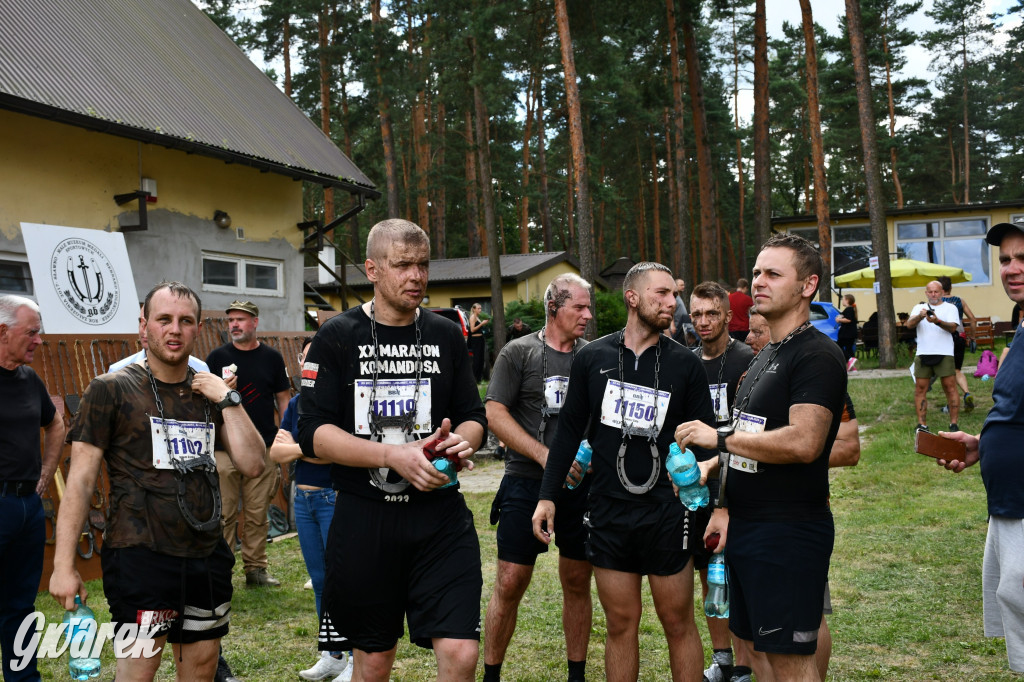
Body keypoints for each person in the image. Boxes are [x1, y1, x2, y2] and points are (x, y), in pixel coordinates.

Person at [298, 219, 486, 682]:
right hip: (365, 519)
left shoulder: (445, 335)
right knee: (375, 661)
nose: (416, 276)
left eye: (422, 265)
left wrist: (464, 439)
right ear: (372, 269)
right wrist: (391, 455)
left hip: (439, 518)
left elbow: (472, 414)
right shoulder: (337, 336)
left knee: (462, 653)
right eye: (403, 265)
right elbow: (312, 433)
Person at [50, 282, 265, 681]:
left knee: (201, 670)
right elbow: (79, 481)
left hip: (205, 554)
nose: (174, 329)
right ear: (143, 326)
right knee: (138, 671)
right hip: (140, 556)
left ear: (198, 328)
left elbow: (254, 464)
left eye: (185, 321)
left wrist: (227, 399)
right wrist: (64, 564)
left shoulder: (207, 393)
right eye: (164, 319)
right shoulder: (111, 389)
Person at [533, 262, 716, 682]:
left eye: (674, 294)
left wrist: (705, 477)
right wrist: (547, 497)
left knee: (678, 623)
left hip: (667, 512)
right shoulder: (593, 358)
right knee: (620, 624)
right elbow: (566, 437)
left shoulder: (684, 365)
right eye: (662, 294)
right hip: (610, 511)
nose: (673, 303)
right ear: (632, 298)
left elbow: (706, 440)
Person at [677, 233, 847, 682]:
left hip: (788, 530)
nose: (758, 282)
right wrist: (723, 501)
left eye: (773, 273)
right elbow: (753, 439)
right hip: (748, 528)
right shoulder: (767, 353)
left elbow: (804, 442)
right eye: (756, 272)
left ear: (808, 285)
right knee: (759, 657)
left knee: (791, 663)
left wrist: (718, 438)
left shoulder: (817, 354)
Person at [483, 274, 594, 682]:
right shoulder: (519, 353)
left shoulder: (592, 356)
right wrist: (547, 456)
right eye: (578, 307)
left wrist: (589, 456)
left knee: (578, 579)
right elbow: (494, 414)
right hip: (525, 481)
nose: (587, 314)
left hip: (580, 487)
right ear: (553, 307)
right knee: (510, 581)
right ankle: (491, 675)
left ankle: (577, 675)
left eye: (588, 307)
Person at [937, 219, 1024, 674]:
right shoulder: (1023, 328)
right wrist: (981, 445)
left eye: (1022, 258)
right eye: (1006, 259)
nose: (1011, 268)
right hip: (1009, 505)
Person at [269, 337, 352, 682]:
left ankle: (351, 659)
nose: (310, 364)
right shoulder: (298, 404)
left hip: (333, 497)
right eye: (305, 358)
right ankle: (332, 654)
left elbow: (337, 452)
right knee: (319, 581)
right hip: (303, 502)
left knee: (342, 580)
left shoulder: (341, 402)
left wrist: (298, 447)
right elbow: (275, 452)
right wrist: (310, 447)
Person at [687, 282, 754, 682]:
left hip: (736, 477)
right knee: (707, 572)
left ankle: (744, 665)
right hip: (695, 482)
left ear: (728, 316)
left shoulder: (746, 359)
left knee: (737, 574)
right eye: (696, 314)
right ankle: (723, 659)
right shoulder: (687, 362)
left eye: (712, 313)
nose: (703, 322)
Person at [0, 295, 64, 682]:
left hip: (27, 507)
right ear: (3, 332)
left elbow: (55, 423)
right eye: (32, 332)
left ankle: (24, 680)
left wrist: (46, 470)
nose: (39, 340)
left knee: (21, 605)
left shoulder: (29, 378)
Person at [206, 300, 291, 588]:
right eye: (230, 320)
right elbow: (204, 399)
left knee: (257, 513)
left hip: (264, 447)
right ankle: (222, 573)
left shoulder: (272, 358)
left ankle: (256, 570)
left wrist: (286, 432)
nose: (234, 325)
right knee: (225, 514)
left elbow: (283, 398)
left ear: (255, 322)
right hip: (225, 449)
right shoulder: (216, 358)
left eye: (241, 320)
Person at [906, 281, 961, 433]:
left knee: (950, 388)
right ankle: (922, 424)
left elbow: (953, 328)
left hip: (944, 353)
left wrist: (937, 321)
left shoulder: (951, 308)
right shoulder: (919, 308)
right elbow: (909, 325)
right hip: (923, 353)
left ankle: (953, 423)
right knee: (920, 389)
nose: (933, 295)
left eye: (936, 292)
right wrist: (919, 317)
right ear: (926, 293)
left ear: (942, 292)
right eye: (930, 292)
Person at [108, 305, 209, 373]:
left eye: (185, 321)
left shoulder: (200, 369)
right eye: (141, 323)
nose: (144, 331)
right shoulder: (118, 371)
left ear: (198, 330)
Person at [937, 275, 977, 412]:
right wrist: (972, 338)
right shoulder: (960, 301)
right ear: (951, 287)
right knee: (957, 370)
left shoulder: (938, 302)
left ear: (939, 288)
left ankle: (951, 405)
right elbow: (972, 319)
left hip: (944, 338)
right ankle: (967, 393)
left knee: (947, 373)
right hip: (960, 337)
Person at [469, 302, 490, 383]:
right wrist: (482, 323)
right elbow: (472, 330)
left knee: (481, 359)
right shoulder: (472, 317)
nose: (480, 310)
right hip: (476, 340)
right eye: (478, 308)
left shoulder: (477, 317)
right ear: (474, 309)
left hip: (480, 339)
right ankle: (474, 378)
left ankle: (479, 378)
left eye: (480, 308)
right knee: (477, 359)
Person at [835, 294, 858, 370]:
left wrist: (839, 320)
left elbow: (848, 319)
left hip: (846, 334)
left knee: (837, 347)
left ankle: (849, 359)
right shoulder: (851, 309)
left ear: (847, 300)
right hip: (850, 334)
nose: (842, 301)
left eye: (843, 299)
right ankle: (852, 367)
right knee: (849, 349)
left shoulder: (849, 309)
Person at [672, 278, 696, 346]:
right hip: (677, 325)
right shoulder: (674, 298)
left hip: (683, 326)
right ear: (675, 286)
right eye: (681, 285)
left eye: (683, 285)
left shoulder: (679, 297)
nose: (683, 287)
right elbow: (671, 311)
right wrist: (672, 325)